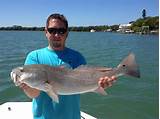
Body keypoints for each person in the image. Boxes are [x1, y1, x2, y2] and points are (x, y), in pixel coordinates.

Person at [19, 13, 117, 119]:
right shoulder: (35, 57)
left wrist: (100, 85)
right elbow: (34, 94)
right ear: (46, 32)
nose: (57, 35)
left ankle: (122, 69)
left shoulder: (77, 57)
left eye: (61, 31)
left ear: (67, 33)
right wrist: (26, 86)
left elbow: (83, 84)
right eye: (52, 30)